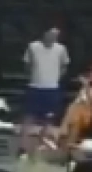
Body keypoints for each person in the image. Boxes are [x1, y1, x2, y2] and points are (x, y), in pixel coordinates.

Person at [19, 28, 70, 158]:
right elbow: (27, 65)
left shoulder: (61, 49)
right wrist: (35, 76)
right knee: (29, 117)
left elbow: (64, 66)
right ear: (45, 33)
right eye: (51, 34)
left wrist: (55, 77)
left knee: (48, 119)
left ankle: (42, 146)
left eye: (56, 35)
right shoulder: (33, 47)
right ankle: (23, 147)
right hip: (35, 87)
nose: (53, 37)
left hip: (52, 89)